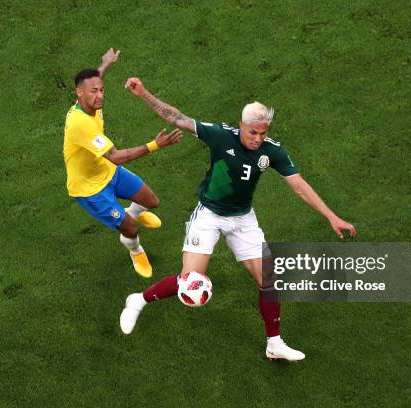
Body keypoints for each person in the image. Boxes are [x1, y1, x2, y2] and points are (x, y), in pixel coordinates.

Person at [119, 77, 357, 362]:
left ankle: (274, 343)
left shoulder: (272, 151)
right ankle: (139, 300)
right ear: (242, 126)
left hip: (243, 220)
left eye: (263, 133)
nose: (258, 139)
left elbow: (299, 185)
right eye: (253, 132)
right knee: (189, 280)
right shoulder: (220, 136)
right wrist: (143, 92)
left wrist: (331, 216)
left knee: (269, 281)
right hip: (209, 215)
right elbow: (177, 117)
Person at [63, 51, 182, 278]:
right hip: (90, 189)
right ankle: (136, 251)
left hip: (107, 172)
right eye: (94, 92)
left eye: (101, 90)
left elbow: (93, 81)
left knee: (151, 201)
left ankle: (133, 213)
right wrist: (155, 145)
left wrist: (105, 64)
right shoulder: (80, 123)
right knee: (129, 228)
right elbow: (115, 156)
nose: (100, 96)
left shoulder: (87, 104)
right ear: (79, 93)